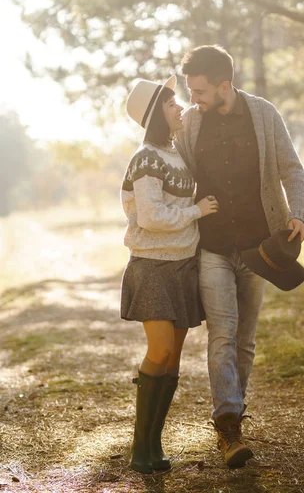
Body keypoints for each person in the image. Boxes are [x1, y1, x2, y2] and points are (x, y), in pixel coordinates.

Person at [175, 45, 304, 468]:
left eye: (198, 90)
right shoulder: (191, 123)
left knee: (245, 341)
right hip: (212, 245)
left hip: (259, 249)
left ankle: (235, 409)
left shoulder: (264, 114)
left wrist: (300, 214)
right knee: (222, 334)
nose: (192, 98)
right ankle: (228, 426)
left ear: (224, 86)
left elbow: (291, 168)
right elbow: (168, 161)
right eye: (189, 91)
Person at [120, 75, 219, 474]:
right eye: (172, 104)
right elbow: (151, 216)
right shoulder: (146, 157)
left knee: (174, 358)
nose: (180, 108)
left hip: (182, 266)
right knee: (159, 352)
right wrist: (197, 210)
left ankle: (153, 446)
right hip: (153, 267)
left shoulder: (175, 153)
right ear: (156, 114)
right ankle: (138, 446)